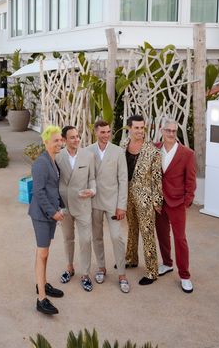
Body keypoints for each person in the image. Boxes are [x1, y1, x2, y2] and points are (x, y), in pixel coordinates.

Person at [155, 119, 197, 293]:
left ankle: (185, 276)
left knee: (180, 239)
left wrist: (186, 201)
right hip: (158, 202)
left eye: (174, 131)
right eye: (168, 130)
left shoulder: (187, 153)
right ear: (161, 130)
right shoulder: (154, 148)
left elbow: (191, 180)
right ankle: (167, 263)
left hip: (177, 201)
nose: (171, 134)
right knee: (162, 235)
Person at [89, 120, 130, 293]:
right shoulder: (88, 151)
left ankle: (121, 274)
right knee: (96, 236)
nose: (106, 135)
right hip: (94, 202)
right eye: (103, 132)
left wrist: (122, 206)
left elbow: (123, 179)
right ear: (96, 132)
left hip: (113, 203)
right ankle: (101, 268)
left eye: (108, 132)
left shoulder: (118, 151)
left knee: (116, 237)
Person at [121, 115, 163, 285]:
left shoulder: (153, 151)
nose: (139, 131)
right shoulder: (123, 145)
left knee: (147, 233)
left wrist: (157, 201)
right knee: (131, 228)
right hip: (126, 195)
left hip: (145, 197)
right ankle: (131, 258)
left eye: (142, 128)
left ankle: (152, 271)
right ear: (129, 128)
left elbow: (157, 178)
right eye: (136, 128)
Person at [29, 125, 65, 315]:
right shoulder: (41, 163)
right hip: (42, 215)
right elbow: (39, 193)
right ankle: (41, 298)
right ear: (46, 142)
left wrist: (60, 206)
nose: (60, 143)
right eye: (56, 141)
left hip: (49, 213)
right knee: (42, 253)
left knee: (44, 252)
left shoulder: (53, 160)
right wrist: (53, 213)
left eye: (60, 140)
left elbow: (53, 189)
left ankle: (41, 283)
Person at [57, 125, 97, 292]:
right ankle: (69, 268)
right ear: (64, 140)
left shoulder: (88, 156)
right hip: (65, 205)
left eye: (78, 136)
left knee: (86, 240)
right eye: (72, 137)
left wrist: (92, 190)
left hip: (83, 204)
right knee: (68, 239)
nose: (77, 139)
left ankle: (85, 274)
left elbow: (92, 178)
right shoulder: (58, 157)